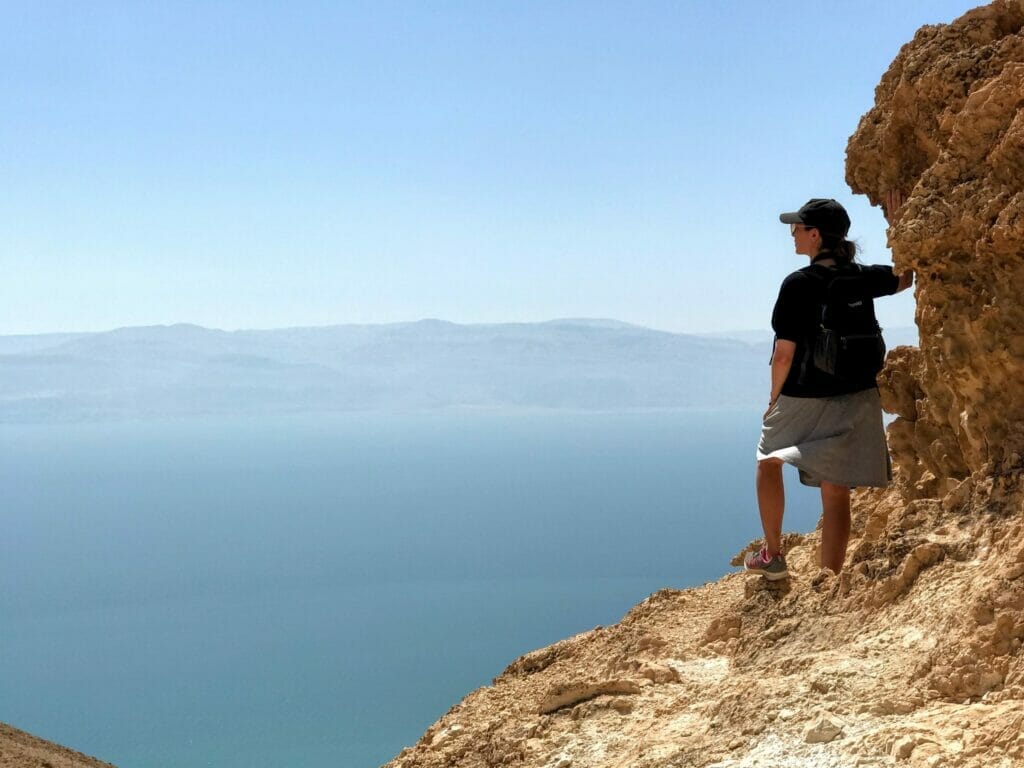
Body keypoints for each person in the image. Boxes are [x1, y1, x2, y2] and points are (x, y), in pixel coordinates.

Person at [743, 194, 913, 580]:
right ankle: (829, 577)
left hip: (804, 394)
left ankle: (772, 555)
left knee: (768, 459)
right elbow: (906, 276)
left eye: (797, 228)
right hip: (858, 393)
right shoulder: (863, 276)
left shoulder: (799, 284)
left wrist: (773, 401)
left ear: (815, 235)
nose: (792, 235)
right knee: (836, 490)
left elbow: (783, 354)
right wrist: (904, 221)